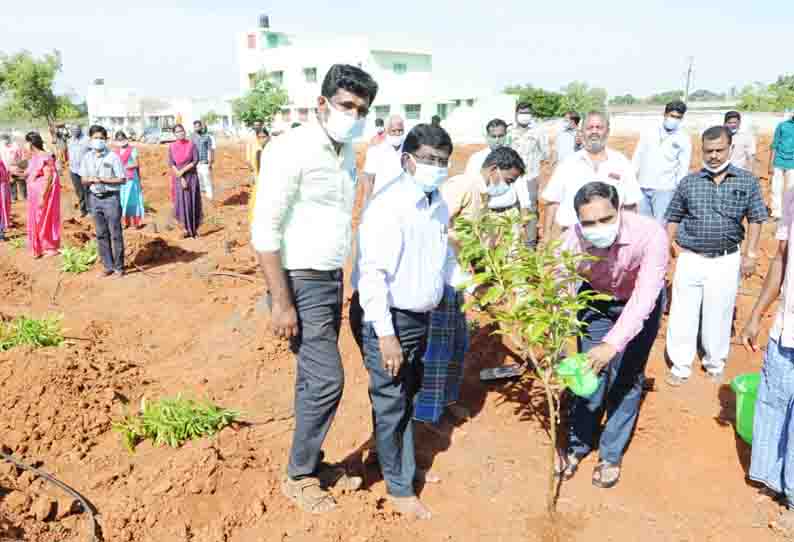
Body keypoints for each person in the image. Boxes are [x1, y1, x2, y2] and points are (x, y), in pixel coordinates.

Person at [251, 64, 378, 515]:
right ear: (321, 104)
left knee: (312, 378)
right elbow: (264, 230)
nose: (354, 114)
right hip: (298, 281)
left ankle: (310, 463)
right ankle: (299, 475)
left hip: (326, 280)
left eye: (362, 109)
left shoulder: (343, 151)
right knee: (327, 381)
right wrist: (281, 302)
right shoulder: (291, 149)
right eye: (347, 105)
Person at [355, 123, 461, 520]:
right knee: (392, 401)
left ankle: (397, 465)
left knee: (404, 395)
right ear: (407, 160)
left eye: (443, 162)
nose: (436, 168)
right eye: (429, 160)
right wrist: (385, 335)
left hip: (421, 318)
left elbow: (443, 261)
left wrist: (476, 283)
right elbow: (373, 276)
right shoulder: (389, 206)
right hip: (390, 319)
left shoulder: (438, 204)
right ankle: (400, 488)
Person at [556, 181, 667, 488]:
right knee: (590, 373)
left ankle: (611, 454)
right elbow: (561, 291)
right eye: (589, 222)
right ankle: (578, 444)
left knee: (627, 377)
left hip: (637, 305)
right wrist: (566, 340)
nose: (598, 227)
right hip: (596, 302)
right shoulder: (571, 242)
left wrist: (612, 344)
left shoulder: (650, 234)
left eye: (605, 219)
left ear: (619, 211)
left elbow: (645, 296)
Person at [664, 126, 768, 386]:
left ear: (730, 148)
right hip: (691, 258)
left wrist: (751, 254)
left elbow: (756, 218)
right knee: (683, 312)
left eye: (719, 150)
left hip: (726, 259)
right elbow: (673, 216)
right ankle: (680, 365)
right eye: (708, 151)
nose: (713, 156)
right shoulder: (689, 182)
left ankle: (714, 362)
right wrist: (666, 249)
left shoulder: (747, 181)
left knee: (718, 312)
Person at [740, 187, 794, 533]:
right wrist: (758, 313)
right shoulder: (793, 195)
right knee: (774, 401)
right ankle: (771, 480)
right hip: (787, 328)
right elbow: (781, 259)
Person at [541, 111, 642, 242]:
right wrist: (547, 236)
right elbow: (553, 202)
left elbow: (630, 205)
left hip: (610, 238)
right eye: (589, 128)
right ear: (582, 132)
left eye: (599, 127)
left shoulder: (621, 163)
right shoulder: (568, 163)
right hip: (572, 237)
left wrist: (628, 236)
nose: (594, 131)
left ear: (607, 131)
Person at [631, 100, 692, 223]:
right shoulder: (649, 132)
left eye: (678, 117)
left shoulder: (684, 139)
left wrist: (678, 191)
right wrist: (631, 181)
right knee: (643, 225)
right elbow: (637, 156)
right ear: (664, 114)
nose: (674, 120)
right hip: (643, 186)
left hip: (665, 190)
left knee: (660, 226)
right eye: (672, 116)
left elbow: (683, 167)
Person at [80, 125, 126, 276]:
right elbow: (83, 179)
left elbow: (122, 179)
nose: (98, 141)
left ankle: (119, 267)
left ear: (105, 140)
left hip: (111, 198)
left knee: (115, 233)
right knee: (101, 233)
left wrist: (103, 180)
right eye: (95, 138)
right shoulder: (87, 157)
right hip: (94, 198)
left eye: (101, 138)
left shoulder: (113, 157)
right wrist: (91, 180)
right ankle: (108, 266)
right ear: (90, 140)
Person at [509, 102, 550, 249]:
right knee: (512, 207)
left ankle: (530, 244)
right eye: (522, 112)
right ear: (516, 113)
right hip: (511, 178)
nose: (524, 115)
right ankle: (512, 242)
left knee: (531, 209)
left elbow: (545, 153)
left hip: (530, 177)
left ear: (531, 115)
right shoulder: (509, 132)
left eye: (527, 112)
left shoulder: (539, 132)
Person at [24, 132, 61, 258]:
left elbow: (48, 177)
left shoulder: (44, 157)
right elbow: (31, 173)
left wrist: (42, 196)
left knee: (45, 219)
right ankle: (39, 247)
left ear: (31, 143)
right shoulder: (33, 158)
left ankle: (49, 247)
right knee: (36, 219)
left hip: (43, 194)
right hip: (34, 196)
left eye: (26, 142)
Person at [360, 115, 405, 202]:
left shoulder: (410, 151)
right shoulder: (375, 151)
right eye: (393, 131)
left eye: (400, 130)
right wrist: (369, 204)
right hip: (382, 201)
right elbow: (369, 180)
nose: (397, 133)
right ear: (387, 131)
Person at [168, 125, 202, 238]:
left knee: (192, 202)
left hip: (191, 177)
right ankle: (186, 229)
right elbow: (171, 163)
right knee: (182, 203)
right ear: (174, 134)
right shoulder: (172, 147)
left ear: (185, 131)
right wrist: (180, 176)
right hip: (178, 178)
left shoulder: (191, 145)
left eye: (182, 131)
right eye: (177, 132)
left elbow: (195, 160)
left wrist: (182, 171)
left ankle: (194, 229)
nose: (180, 133)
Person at [113, 131, 145, 229]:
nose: (121, 141)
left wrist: (124, 167)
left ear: (125, 139)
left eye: (122, 138)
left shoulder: (132, 150)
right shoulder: (116, 152)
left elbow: (136, 164)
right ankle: (126, 222)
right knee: (123, 201)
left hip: (131, 180)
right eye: (118, 139)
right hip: (121, 180)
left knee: (133, 200)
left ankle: (136, 222)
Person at [770, 110, 794, 219]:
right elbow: (774, 144)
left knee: (791, 189)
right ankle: (776, 213)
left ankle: (789, 212)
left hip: (792, 162)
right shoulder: (782, 125)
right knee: (776, 188)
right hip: (779, 161)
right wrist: (771, 163)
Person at [66, 126, 90, 217]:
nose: (74, 132)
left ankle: (90, 210)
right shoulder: (70, 140)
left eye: (76, 130)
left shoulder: (87, 140)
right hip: (73, 169)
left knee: (87, 190)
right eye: (73, 130)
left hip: (85, 170)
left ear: (80, 130)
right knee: (79, 191)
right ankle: (83, 210)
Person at [248, 128, 271, 223]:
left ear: (268, 138)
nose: (262, 139)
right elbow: (256, 169)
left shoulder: (273, 152)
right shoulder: (258, 153)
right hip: (259, 183)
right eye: (259, 137)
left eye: (264, 137)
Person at [192, 120, 216, 203]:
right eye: (195, 126)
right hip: (195, 164)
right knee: (199, 182)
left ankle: (210, 199)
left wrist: (210, 162)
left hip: (204, 163)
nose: (197, 128)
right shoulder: (192, 138)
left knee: (207, 181)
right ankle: (202, 201)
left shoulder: (206, 137)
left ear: (201, 127)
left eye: (198, 126)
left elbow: (210, 150)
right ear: (194, 128)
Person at [0, 134, 26, 202]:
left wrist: (20, 165)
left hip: (17, 166)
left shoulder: (15, 146)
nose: (5, 141)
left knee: (21, 181)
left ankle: (24, 196)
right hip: (8, 168)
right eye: (3, 139)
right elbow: (3, 159)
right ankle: (13, 197)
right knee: (12, 183)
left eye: (6, 139)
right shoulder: (2, 148)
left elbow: (20, 155)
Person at [0, 159, 10, 241]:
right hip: (2, 189)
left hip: (3, 189)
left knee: (3, 210)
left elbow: (5, 176)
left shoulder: (1, 162)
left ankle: (1, 233)